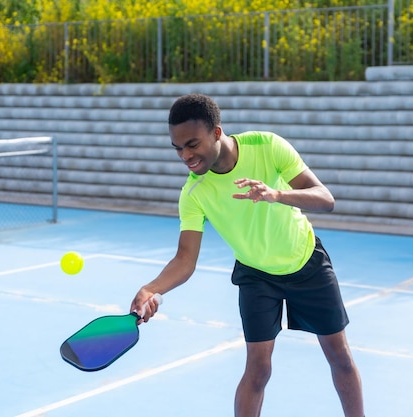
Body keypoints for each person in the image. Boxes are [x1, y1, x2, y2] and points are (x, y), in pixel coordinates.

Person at [132, 93, 365, 417]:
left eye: (192, 144)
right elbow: (185, 259)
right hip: (256, 275)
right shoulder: (194, 192)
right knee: (258, 369)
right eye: (178, 148)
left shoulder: (267, 147)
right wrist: (151, 289)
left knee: (338, 356)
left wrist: (277, 194)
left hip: (305, 262)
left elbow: (325, 198)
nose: (185, 155)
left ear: (216, 132)